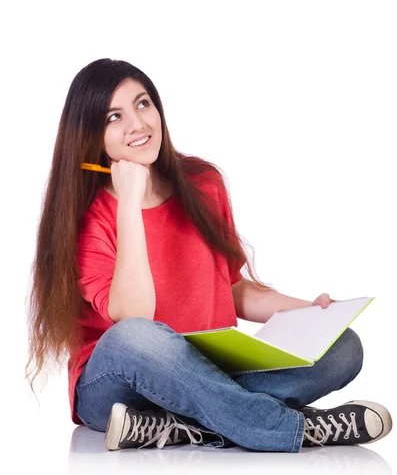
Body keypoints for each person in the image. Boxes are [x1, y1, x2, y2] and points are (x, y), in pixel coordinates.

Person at [25, 58, 393, 453]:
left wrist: (311, 312)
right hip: (117, 385)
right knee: (135, 336)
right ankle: (285, 428)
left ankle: (184, 428)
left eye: (144, 103)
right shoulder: (87, 215)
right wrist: (129, 201)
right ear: (90, 135)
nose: (138, 123)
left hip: (206, 375)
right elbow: (134, 316)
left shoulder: (202, 183)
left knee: (343, 347)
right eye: (115, 116)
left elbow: (230, 286)